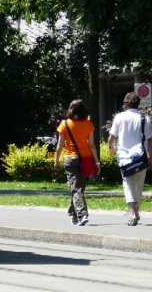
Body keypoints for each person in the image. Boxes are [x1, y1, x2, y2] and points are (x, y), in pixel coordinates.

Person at [108, 92, 152, 226]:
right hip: (141, 157)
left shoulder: (120, 117)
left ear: (126, 103)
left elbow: (111, 138)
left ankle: (132, 213)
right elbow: (150, 141)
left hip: (125, 158)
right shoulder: (145, 119)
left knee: (128, 184)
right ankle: (136, 212)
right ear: (138, 104)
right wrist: (150, 157)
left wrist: (111, 147)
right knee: (139, 186)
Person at [54, 99, 100, 226]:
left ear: (70, 109)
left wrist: (56, 161)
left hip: (70, 159)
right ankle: (74, 214)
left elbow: (59, 146)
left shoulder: (64, 124)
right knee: (78, 188)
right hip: (85, 159)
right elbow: (91, 145)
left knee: (76, 188)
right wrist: (96, 162)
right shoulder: (88, 124)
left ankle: (81, 214)